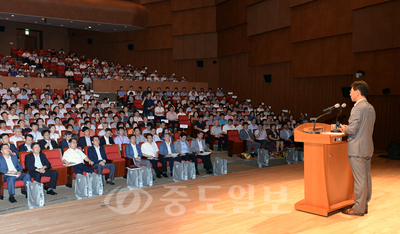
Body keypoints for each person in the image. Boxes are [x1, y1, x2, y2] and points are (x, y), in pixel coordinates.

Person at [339, 81, 375, 216]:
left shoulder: (357, 108)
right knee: (366, 178)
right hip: (367, 147)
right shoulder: (370, 107)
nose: (350, 93)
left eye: (351, 91)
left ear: (357, 92)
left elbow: (352, 129)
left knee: (360, 180)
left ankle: (358, 208)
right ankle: (364, 204)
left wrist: (344, 128)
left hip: (357, 149)